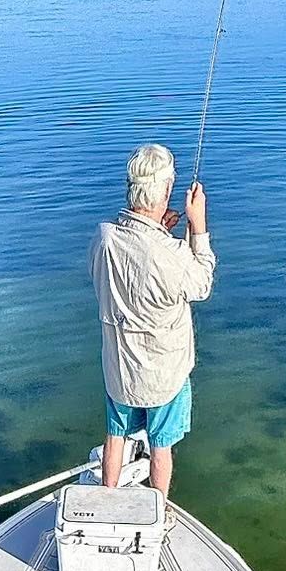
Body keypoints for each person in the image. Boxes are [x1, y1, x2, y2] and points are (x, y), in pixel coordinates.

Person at [89, 143, 215, 499]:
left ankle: (106, 499)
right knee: (161, 446)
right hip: (163, 373)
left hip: (120, 367)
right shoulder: (170, 255)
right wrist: (197, 226)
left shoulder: (105, 238)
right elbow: (201, 284)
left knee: (115, 435)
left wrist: (159, 227)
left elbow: (131, 259)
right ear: (165, 190)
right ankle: (157, 510)